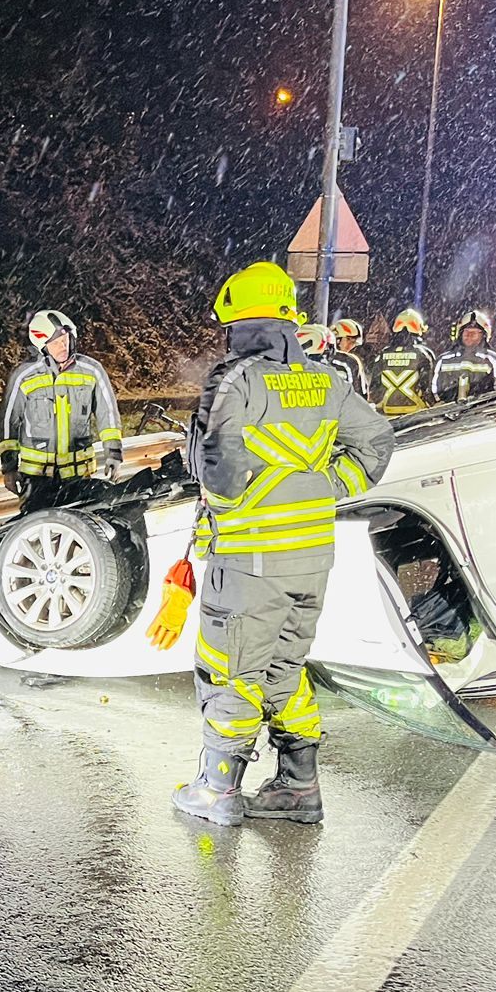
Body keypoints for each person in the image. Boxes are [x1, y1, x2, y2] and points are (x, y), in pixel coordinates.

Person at [168, 262, 394, 825]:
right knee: (284, 668)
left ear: (238, 321)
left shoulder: (234, 379)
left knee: (231, 669)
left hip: (249, 559)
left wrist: (229, 511)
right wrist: (324, 487)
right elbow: (377, 442)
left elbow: (218, 467)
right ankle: (298, 787)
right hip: (311, 556)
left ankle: (218, 789)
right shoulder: (325, 379)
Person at [0, 308, 124, 506]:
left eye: (65, 340)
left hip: (80, 476)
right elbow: (9, 422)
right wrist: (9, 467)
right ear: (42, 346)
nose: (62, 346)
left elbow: (107, 414)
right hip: (37, 479)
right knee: (37, 529)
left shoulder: (92, 371)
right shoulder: (24, 375)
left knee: (79, 530)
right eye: (55, 343)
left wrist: (114, 454)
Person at [431, 308, 496, 402]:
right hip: (444, 414)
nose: (469, 335)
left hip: (481, 414)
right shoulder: (442, 360)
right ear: (459, 333)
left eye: (474, 332)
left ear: (483, 335)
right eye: (466, 331)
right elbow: (433, 392)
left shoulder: (495, 361)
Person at [371, 308, 438, 417]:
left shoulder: (382, 354)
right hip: (416, 417)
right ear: (419, 329)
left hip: (388, 416)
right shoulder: (424, 354)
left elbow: (374, 388)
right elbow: (430, 387)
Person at [329, 317, 371, 397]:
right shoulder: (349, 362)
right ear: (337, 339)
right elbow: (360, 396)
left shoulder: (351, 361)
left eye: (353, 342)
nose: (350, 345)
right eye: (348, 339)